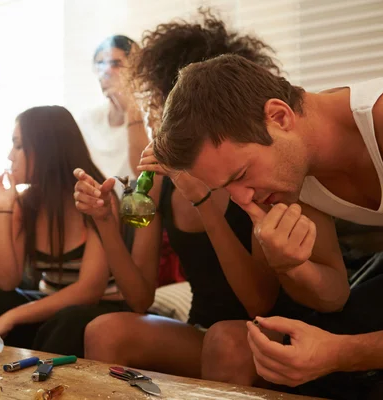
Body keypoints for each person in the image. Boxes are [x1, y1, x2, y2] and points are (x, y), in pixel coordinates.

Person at [73, 9, 348, 385]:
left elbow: (258, 303)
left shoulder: (262, 178)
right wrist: (105, 220)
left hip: (266, 332)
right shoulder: (160, 180)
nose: (155, 116)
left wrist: (204, 202)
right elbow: (138, 298)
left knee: (226, 340)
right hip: (203, 329)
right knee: (104, 329)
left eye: (159, 103)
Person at [153, 54, 383, 397]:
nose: (243, 199)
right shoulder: (294, 165)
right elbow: (333, 295)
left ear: (279, 116)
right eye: (226, 187)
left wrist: (338, 354)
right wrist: (290, 264)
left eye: (240, 175)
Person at [0, 106, 128, 352]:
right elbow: (5, 283)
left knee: (68, 320)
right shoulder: (26, 202)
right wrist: (2, 208)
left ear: (46, 149)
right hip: (52, 310)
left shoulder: (95, 197)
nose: (10, 156)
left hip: (97, 311)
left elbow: (89, 292)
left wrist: (11, 317)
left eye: (18, 145)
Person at [77, 35, 149, 180]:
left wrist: (130, 102)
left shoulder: (150, 118)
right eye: (100, 64)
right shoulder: (88, 120)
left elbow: (144, 173)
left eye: (116, 64)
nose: (107, 71)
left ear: (135, 69)